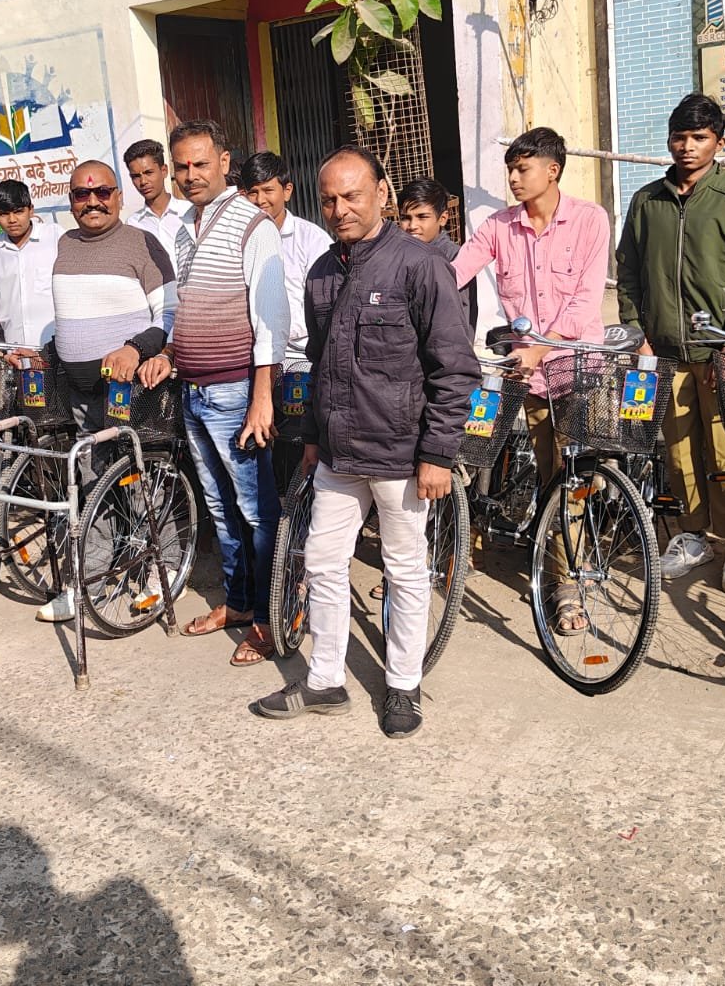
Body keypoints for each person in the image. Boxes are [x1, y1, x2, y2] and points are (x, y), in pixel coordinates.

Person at [251, 146, 477, 738]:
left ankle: (403, 684)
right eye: (329, 198)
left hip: (403, 454)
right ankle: (325, 678)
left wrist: (438, 453)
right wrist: (311, 438)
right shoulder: (324, 271)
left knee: (405, 570)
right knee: (322, 561)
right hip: (339, 453)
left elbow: (454, 368)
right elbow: (323, 364)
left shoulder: (419, 265)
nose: (340, 208)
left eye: (352, 195)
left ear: (382, 194)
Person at [138, 119, 288, 666]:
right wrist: (169, 354)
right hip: (195, 391)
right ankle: (241, 604)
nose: (190, 175)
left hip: (237, 392)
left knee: (256, 510)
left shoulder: (253, 225)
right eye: (181, 166)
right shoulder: (185, 230)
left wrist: (262, 396)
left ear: (226, 162)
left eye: (201, 163)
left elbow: (270, 319)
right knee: (222, 511)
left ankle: (273, 618)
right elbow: (185, 311)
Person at [615, 93, 725, 593]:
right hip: (662, 351)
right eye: (679, 137)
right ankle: (694, 535)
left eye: (699, 138)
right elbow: (628, 272)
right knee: (679, 450)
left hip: (720, 352)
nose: (687, 147)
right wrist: (637, 331)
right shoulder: (647, 200)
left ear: (719, 143)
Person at [37, 161, 177, 622]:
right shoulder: (65, 244)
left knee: (142, 485)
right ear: (71, 199)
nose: (92, 202)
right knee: (89, 486)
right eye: (81, 194)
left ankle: (163, 572)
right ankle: (90, 580)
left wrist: (136, 348)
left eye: (102, 193)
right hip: (78, 393)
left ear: (119, 197)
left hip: (128, 392)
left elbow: (170, 316)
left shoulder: (142, 243)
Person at [452, 128, 609, 528]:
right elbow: (455, 272)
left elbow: (584, 302)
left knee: (575, 478)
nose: (513, 179)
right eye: (510, 170)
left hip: (578, 370)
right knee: (551, 475)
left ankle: (580, 567)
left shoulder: (590, 219)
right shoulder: (498, 226)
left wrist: (540, 349)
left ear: (552, 170)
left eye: (523, 169)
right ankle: (558, 571)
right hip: (531, 377)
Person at [238, 150, 331, 348]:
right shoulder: (236, 239)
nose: (260, 200)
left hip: (303, 351)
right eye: (252, 192)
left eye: (268, 190)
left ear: (287, 191)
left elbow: (325, 304)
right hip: (251, 350)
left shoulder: (312, 239)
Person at [0, 178, 61, 349]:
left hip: (57, 347)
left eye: (19, 211)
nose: (12, 220)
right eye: (4, 214)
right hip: (15, 348)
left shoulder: (55, 236)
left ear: (31, 210)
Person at [398, 177, 476, 329]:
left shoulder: (455, 258)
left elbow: (461, 320)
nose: (413, 226)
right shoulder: (397, 256)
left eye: (422, 217)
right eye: (405, 218)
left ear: (443, 218)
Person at [123, 138, 193, 273]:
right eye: (136, 176)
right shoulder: (133, 224)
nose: (143, 181)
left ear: (164, 171)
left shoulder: (189, 212)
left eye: (149, 173)